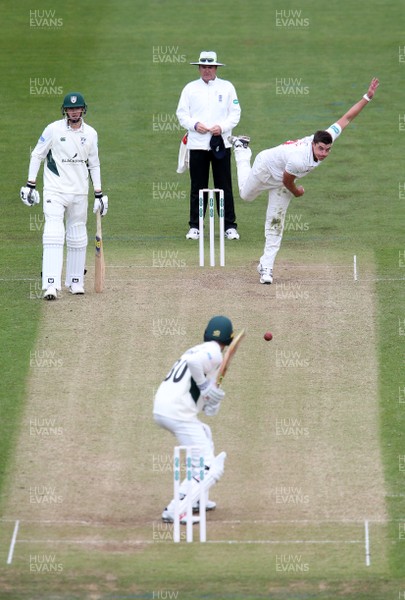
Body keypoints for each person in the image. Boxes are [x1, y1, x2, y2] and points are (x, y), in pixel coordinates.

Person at [228, 77, 380, 284]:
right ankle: (242, 149)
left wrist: (367, 97)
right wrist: (297, 191)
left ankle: (266, 267)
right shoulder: (299, 159)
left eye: (327, 149)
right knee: (245, 195)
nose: (324, 153)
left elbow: (346, 118)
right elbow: (287, 180)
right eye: (321, 149)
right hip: (268, 169)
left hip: (283, 180)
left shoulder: (326, 137)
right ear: (313, 144)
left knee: (275, 223)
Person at [20, 92, 108, 300]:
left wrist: (99, 194)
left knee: (77, 236)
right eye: (70, 108)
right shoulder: (53, 129)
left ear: (83, 109)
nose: (74, 111)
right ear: (65, 110)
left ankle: (75, 281)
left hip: (79, 192)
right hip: (55, 191)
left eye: (77, 108)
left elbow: (94, 164)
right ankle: (50, 284)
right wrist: (30, 184)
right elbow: (37, 154)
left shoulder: (92, 134)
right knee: (53, 233)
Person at [153, 315, 233, 522]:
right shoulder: (213, 353)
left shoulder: (198, 349)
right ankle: (175, 510)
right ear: (229, 340)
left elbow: (204, 404)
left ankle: (197, 499)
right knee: (209, 467)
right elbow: (194, 365)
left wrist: (212, 401)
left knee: (205, 433)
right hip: (177, 413)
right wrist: (206, 387)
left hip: (165, 408)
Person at [176, 51, 241, 241]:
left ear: (216, 68)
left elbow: (235, 113)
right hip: (197, 144)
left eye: (210, 67)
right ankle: (195, 226)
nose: (207, 70)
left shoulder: (227, 87)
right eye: (203, 67)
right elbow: (182, 114)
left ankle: (229, 226)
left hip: (221, 143)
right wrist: (195, 125)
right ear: (199, 68)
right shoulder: (190, 88)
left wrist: (222, 127)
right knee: (198, 186)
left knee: (224, 185)